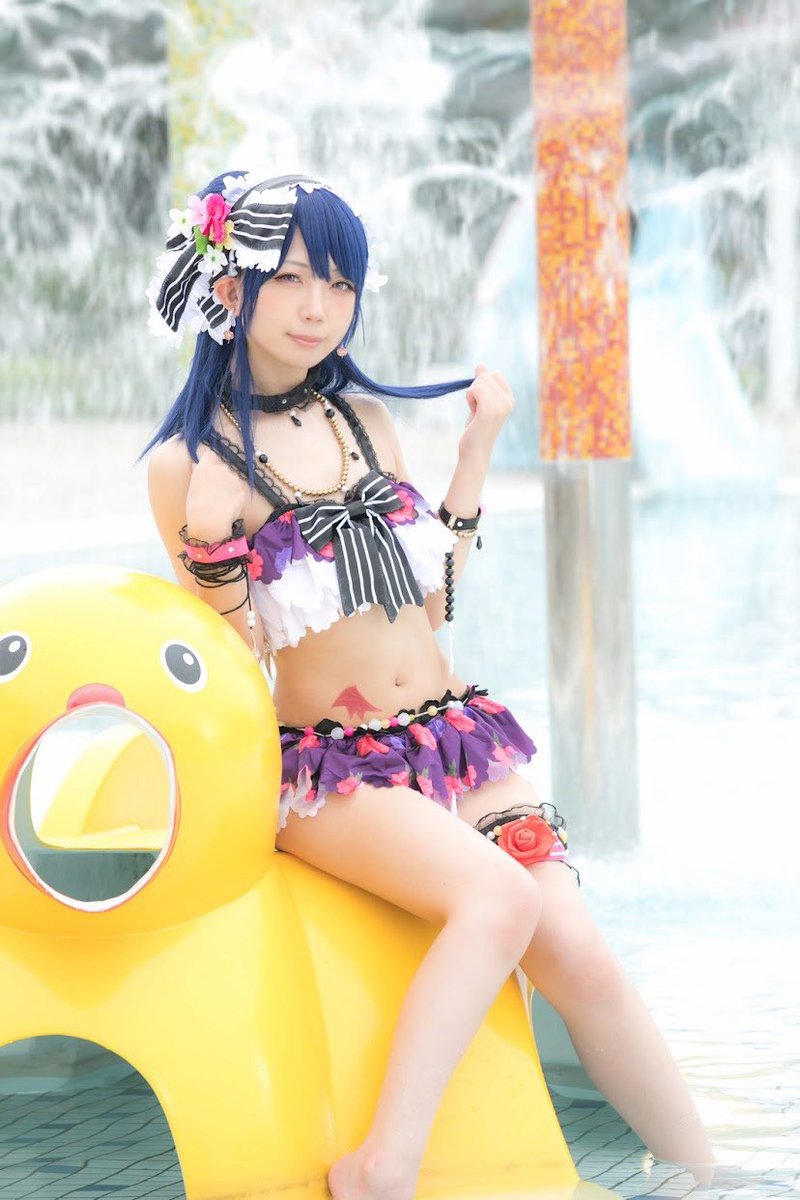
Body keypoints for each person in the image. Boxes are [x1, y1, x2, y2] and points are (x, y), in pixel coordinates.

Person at [144, 171, 715, 1200]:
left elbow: (430, 604)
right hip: (328, 770)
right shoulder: (190, 463)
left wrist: (475, 453)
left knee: (579, 952)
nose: (319, 307)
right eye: (293, 279)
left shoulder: (365, 421)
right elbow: (230, 664)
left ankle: (709, 1177)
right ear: (231, 289)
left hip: (453, 735)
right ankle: (381, 1166)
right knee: (498, 900)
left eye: (340, 284)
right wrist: (213, 540)